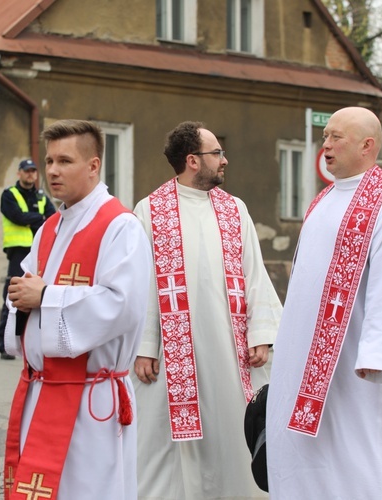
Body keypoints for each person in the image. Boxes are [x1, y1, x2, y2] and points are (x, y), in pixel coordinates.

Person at [266, 107, 382, 498]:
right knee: (304, 453)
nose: (326, 145)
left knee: (357, 455)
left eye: (337, 137)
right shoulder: (322, 201)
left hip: (356, 364)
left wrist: (377, 355)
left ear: (368, 145)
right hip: (303, 356)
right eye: (325, 137)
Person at [132, 121, 282, 499]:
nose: (224, 160)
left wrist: (261, 333)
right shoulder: (150, 211)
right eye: (217, 153)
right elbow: (142, 284)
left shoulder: (235, 210)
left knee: (231, 430)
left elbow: (254, 272)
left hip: (229, 350)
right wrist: (145, 345)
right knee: (165, 441)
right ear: (193, 161)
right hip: (173, 353)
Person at [2, 119, 150, 499]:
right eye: (49, 160)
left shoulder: (120, 227)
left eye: (64, 161)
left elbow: (123, 306)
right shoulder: (49, 228)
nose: (52, 170)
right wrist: (25, 297)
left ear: (93, 166)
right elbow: (24, 291)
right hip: (43, 389)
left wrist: (47, 296)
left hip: (91, 398)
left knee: (88, 489)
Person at [0, 159, 56, 360]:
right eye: (27, 171)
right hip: (19, 251)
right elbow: (17, 217)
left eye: (33, 171)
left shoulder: (41, 196)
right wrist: (38, 219)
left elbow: (52, 217)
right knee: (13, 294)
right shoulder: (9, 195)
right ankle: (5, 343)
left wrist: (32, 218)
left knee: (38, 292)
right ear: (19, 173)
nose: (30, 174)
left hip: (40, 251)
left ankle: (31, 339)